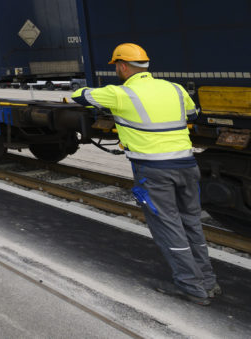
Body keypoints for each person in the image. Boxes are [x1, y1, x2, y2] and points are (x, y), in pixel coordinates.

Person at [71, 43, 220, 306]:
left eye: (116, 65)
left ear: (122, 66)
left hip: (154, 172)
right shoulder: (175, 89)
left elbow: (80, 96)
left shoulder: (120, 94)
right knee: (191, 225)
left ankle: (191, 287)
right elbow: (192, 114)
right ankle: (208, 283)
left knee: (169, 227)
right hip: (187, 166)